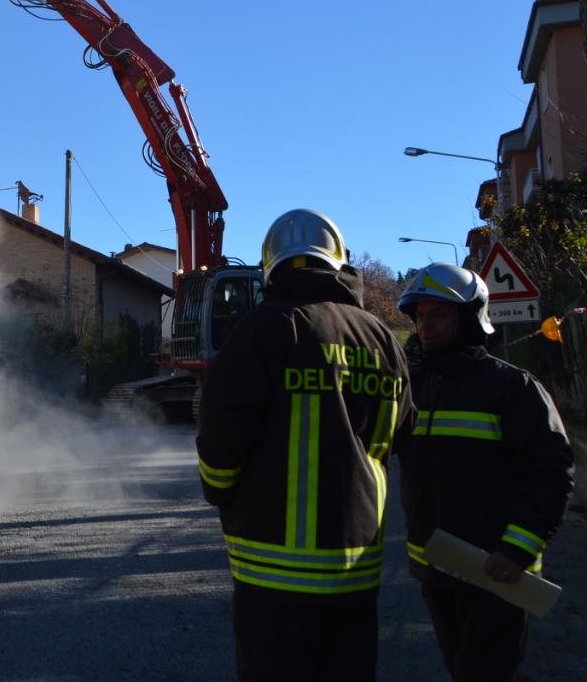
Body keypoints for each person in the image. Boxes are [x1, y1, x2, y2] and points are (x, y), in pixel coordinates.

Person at [196, 208, 412, 682]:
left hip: (270, 568)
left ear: (271, 264)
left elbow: (222, 432)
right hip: (358, 561)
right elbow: (401, 431)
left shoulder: (263, 328)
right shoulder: (382, 339)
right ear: (338, 260)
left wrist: (220, 492)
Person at [396, 263, 574, 682]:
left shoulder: (513, 387)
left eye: (438, 314)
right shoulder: (413, 387)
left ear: (471, 317)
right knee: (460, 667)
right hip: (437, 568)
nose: (425, 326)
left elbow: (551, 473)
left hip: (496, 572)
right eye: (420, 316)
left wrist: (516, 551)